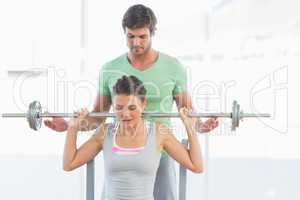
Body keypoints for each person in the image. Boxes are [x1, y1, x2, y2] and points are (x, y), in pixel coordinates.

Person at [45, 4, 218, 200]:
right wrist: (69, 126)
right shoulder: (110, 69)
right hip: (121, 152)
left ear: (152, 32)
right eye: (130, 36)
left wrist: (201, 126)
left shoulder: (173, 67)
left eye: (142, 36)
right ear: (124, 34)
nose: (136, 42)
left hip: (161, 151)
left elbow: (188, 113)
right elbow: (98, 116)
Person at [63, 75, 204, 200]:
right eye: (119, 107)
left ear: (143, 104)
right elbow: (69, 164)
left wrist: (189, 126)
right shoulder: (105, 133)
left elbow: (196, 166)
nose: (125, 114)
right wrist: (73, 127)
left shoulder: (159, 133)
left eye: (132, 108)